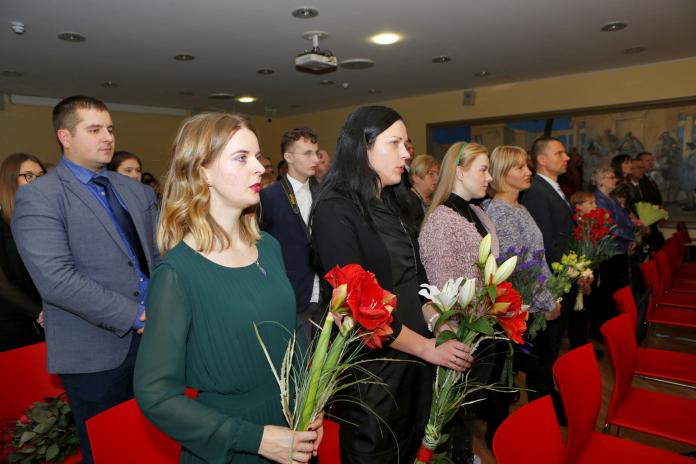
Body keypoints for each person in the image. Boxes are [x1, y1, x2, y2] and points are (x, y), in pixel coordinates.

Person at [134, 113, 322, 464]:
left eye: (257, 156)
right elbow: (156, 394)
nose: (260, 168)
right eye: (241, 157)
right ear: (202, 171)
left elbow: (293, 334)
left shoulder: (268, 246)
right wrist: (255, 439)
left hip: (293, 427)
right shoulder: (177, 273)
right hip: (232, 442)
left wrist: (311, 402)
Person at [311, 106, 472, 464]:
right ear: (363, 147)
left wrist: (438, 321)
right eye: (395, 143)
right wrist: (427, 348)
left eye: (406, 143)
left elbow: (416, 279)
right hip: (374, 373)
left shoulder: (396, 201)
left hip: (414, 362)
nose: (406, 153)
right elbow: (357, 306)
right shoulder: (335, 209)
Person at [12, 96, 160, 463]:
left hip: (156, 342)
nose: (107, 137)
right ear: (65, 136)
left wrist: (166, 309)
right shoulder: (40, 196)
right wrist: (136, 315)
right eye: (94, 130)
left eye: (110, 129)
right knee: (109, 449)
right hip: (94, 352)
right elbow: (57, 279)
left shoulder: (137, 191)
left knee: (155, 444)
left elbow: (159, 259)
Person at [418, 142, 499, 462]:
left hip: (480, 329)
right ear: (460, 172)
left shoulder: (476, 211)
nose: (489, 177)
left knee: (468, 410)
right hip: (460, 336)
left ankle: (463, 455)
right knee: (454, 416)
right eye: (483, 169)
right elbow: (443, 290)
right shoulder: (441, 220)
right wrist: (453, 338)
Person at [482, 145, 561, 447]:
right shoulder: (499, 212)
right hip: (516, 311)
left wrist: (552, 295)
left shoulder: (519, 207)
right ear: (503, 173)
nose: (528, 172)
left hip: (533, 306)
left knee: (530, 374)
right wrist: (547, 301)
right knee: (508, 376)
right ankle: (502, 438)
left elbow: (538, 259)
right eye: (520, 167)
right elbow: (515, 271)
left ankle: (536, 430)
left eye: (527, 165)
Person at [520, 136, 588, 421]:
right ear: (542, 159)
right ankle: (543, 407)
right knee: (543, 352)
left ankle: (548, 398)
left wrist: (579, 270)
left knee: (550, 349)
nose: (566, 157)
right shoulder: (536, 191)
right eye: (559, 153)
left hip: (562, 279)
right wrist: (558, 284)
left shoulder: (550, 188)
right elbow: (544, 245)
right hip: (551, 284)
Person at [260, 128, 322, 339]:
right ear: (288, 157)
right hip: (290, 294)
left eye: (316, 153)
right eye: (307, 153)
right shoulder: (269, 197)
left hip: (323, 294)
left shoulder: (324, 193)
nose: (315, 159)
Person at [0, 153, 46, 351]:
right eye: (28, 176)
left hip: (50, 317)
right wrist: (38, 311)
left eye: (41, 176)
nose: (37, 181)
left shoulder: (44, 221)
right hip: (13, 324)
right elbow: (2, 285)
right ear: (10, 180)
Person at [403, 154, 439, 230]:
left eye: (437, 174)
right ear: (416, 178)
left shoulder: (435, 199)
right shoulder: (408, 202)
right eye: (431, 174)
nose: (436, 178)